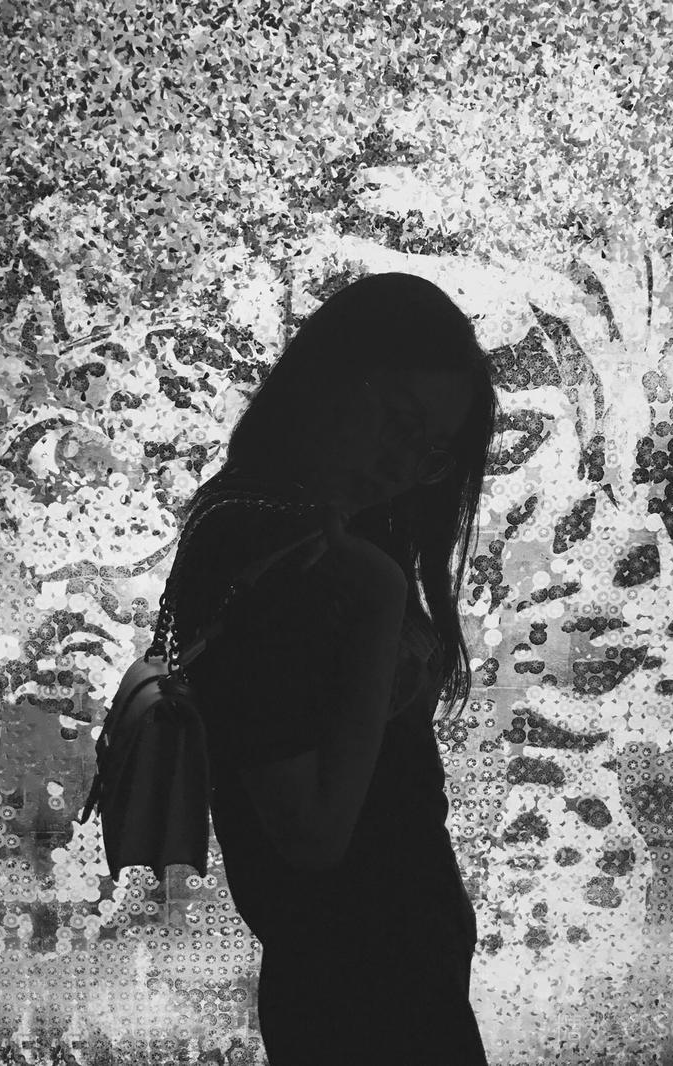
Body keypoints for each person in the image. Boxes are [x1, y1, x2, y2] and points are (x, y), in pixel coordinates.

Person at [173, 272, 501, 1064]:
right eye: (399, 422)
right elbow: (314, 834)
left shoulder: (332, 525)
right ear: (330, 376)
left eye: (430, 451)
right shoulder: (267, 546)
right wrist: (385, 597)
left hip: (392, 973)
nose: (402, 464)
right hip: (354, 989)